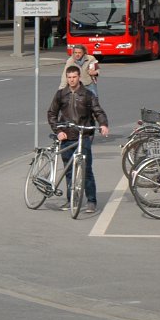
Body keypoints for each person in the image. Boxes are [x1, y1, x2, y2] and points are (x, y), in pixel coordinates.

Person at [47, 65, 109, 213]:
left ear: (79, 77)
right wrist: (58, 131)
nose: (72, 80)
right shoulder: (61, 94)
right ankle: (71, 200)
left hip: (83, 136)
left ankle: (91, 201)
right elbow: (51, 114)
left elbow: (98, 111)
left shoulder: (87, 94)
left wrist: (103, 124)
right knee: (69, 171)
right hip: (66, 137)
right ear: (66, 78)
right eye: (69, 77)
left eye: (74, 77)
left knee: (86, 170)